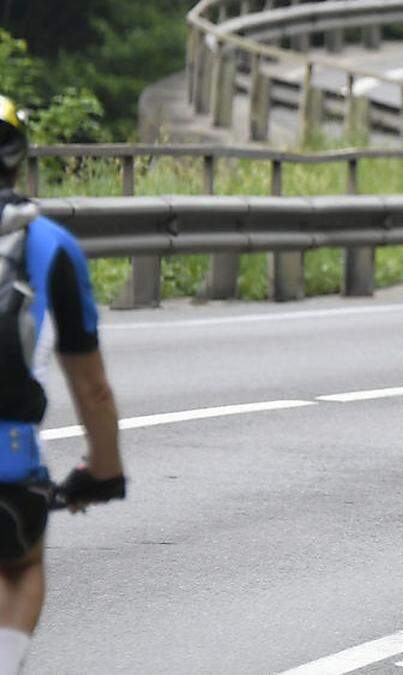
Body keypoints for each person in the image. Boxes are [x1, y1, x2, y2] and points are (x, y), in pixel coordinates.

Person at [0, 95, 126, 672]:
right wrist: (102, 472)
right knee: (19, 566)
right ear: (18, 161)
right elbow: (92, 386)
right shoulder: (48, 244)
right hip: (8, 460)